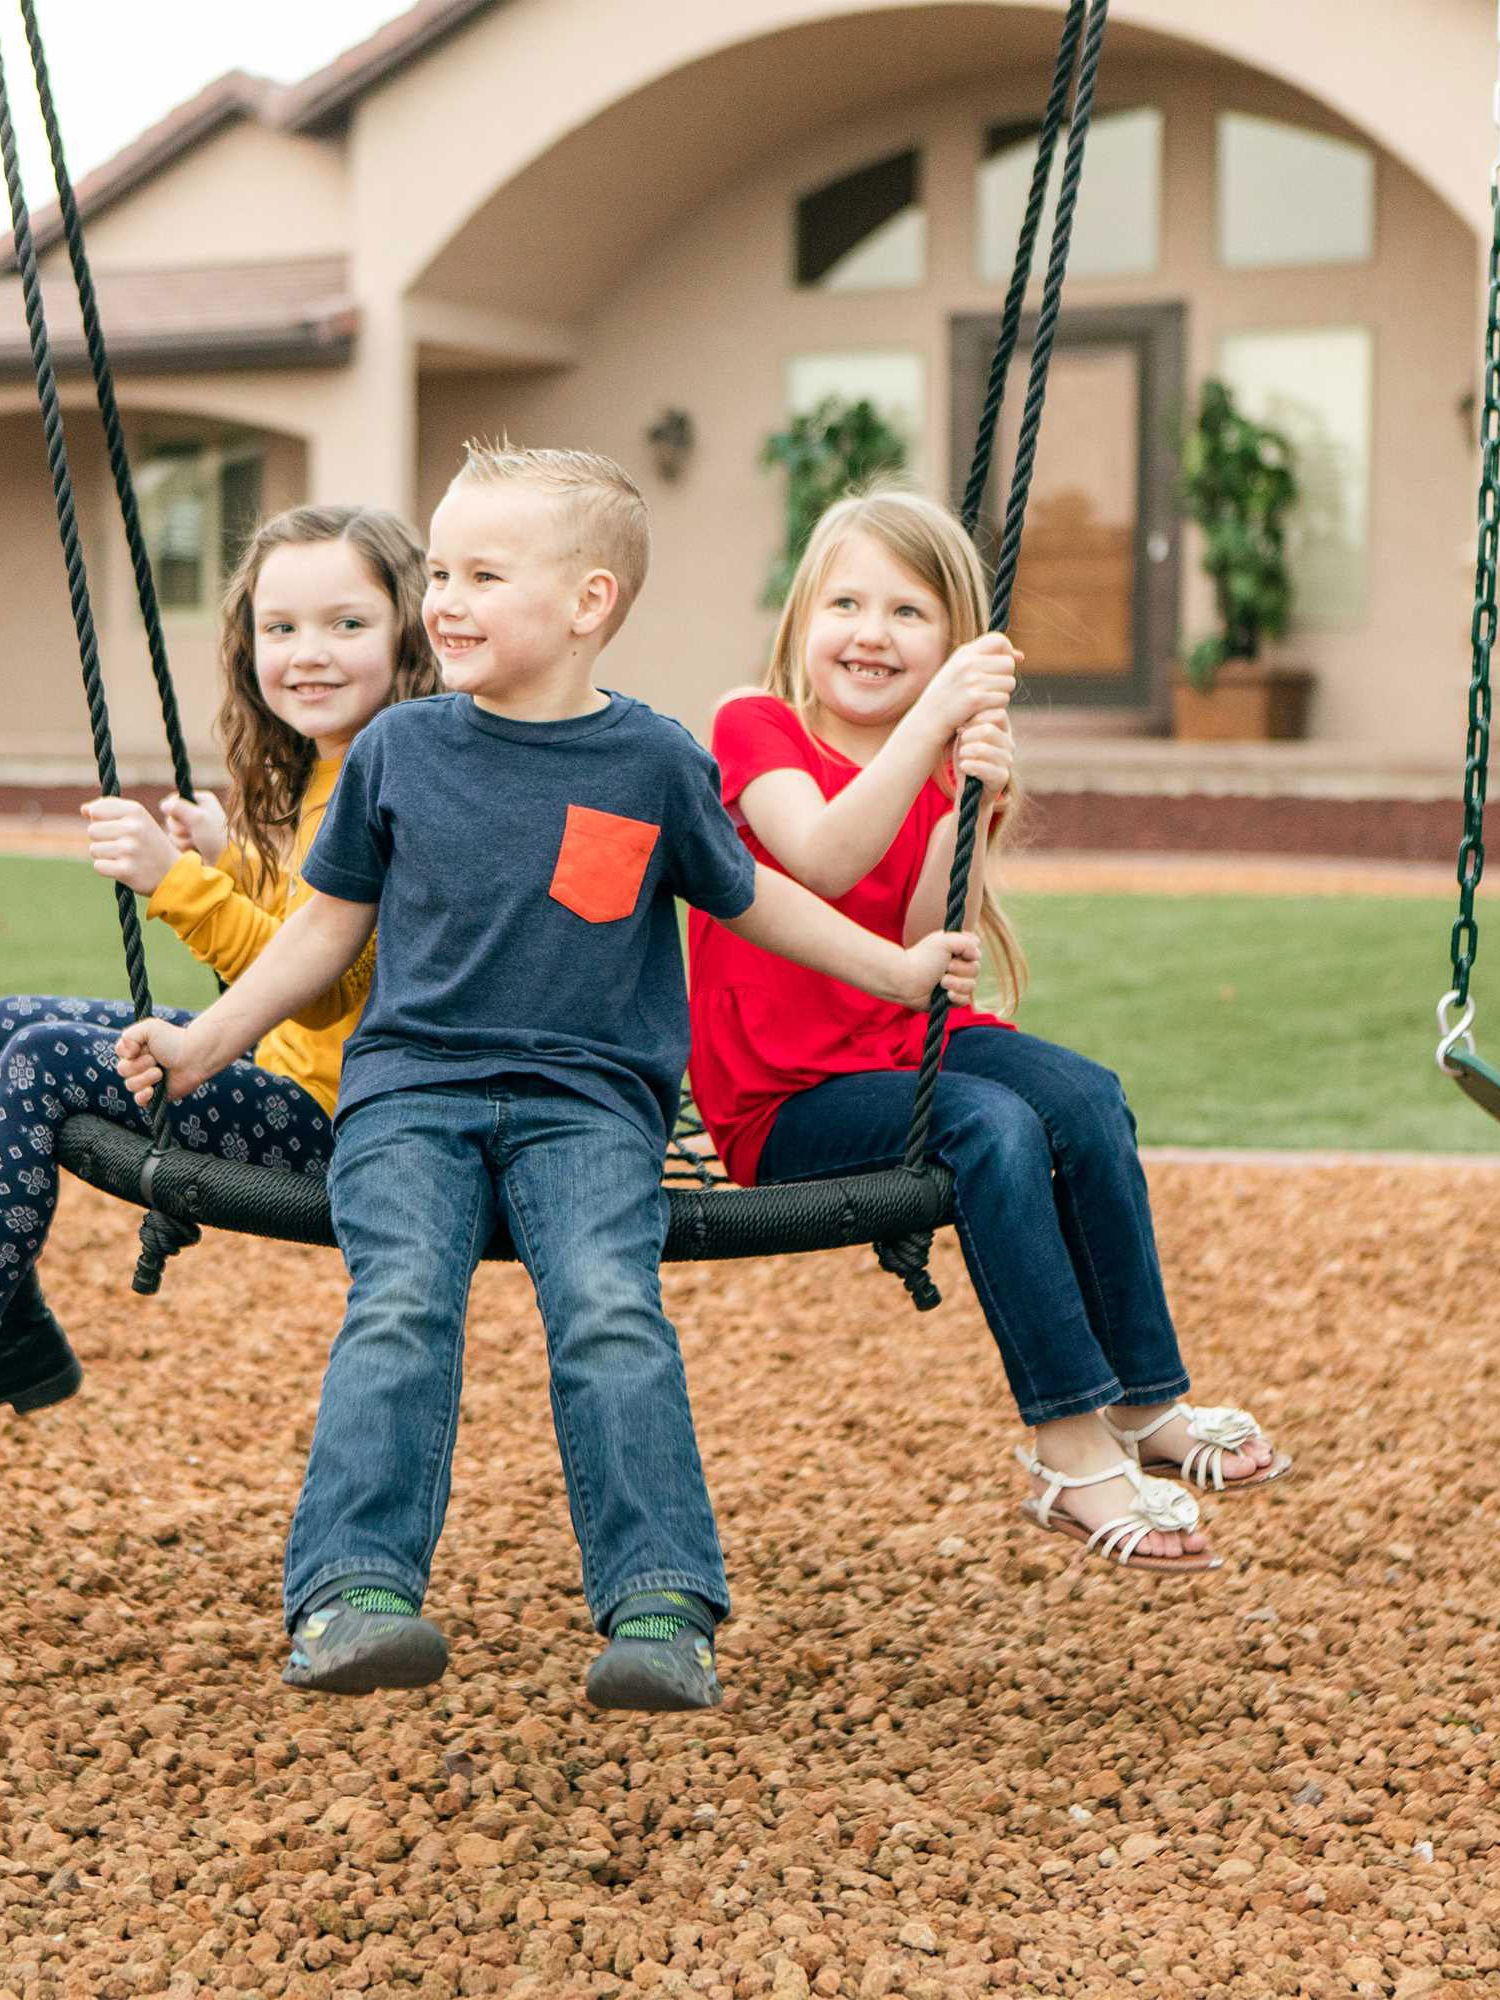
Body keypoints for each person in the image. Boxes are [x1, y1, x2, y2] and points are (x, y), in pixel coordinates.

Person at [113, 444, 980, 1709]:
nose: (443, 601)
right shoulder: (400, 751)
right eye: (441, 572)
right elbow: (318, 930)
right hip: (410, 1089)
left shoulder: (653, 761)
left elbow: (759, 901)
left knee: (607, 1306)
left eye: (481, 574)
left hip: (590, 1102)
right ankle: (351, 1593)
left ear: (588, 605)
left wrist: (898, 973)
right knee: (401, 1297)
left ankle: (659, 1606)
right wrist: (204, 1042)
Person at [0, 503, 440, 1541]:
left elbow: (324, 980)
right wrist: (230, 853)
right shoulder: (336, 762)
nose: (307, 654)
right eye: (280, 629)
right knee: (1, 1026)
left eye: (346, 624)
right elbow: (304, 913)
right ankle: (9, 1328)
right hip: (294, 1071)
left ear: (405, 632)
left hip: (338, 1114)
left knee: (40, 1062)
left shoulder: (390, 774)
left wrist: (179, 885)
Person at [687, 485, 1292, 1577]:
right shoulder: (753, 725)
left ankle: (1146, 1398)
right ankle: (1066, 1445)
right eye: (845, 603)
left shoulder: (941, 762)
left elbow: (927, 946)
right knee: (989, 1127)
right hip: (782, 1096)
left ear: (951, 644)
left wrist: (969, 802)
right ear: (798, 621)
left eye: (907, 614)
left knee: (1083, 1095)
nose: (870, 633)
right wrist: (928, 728)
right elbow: (817, 853)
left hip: (894, 1043)